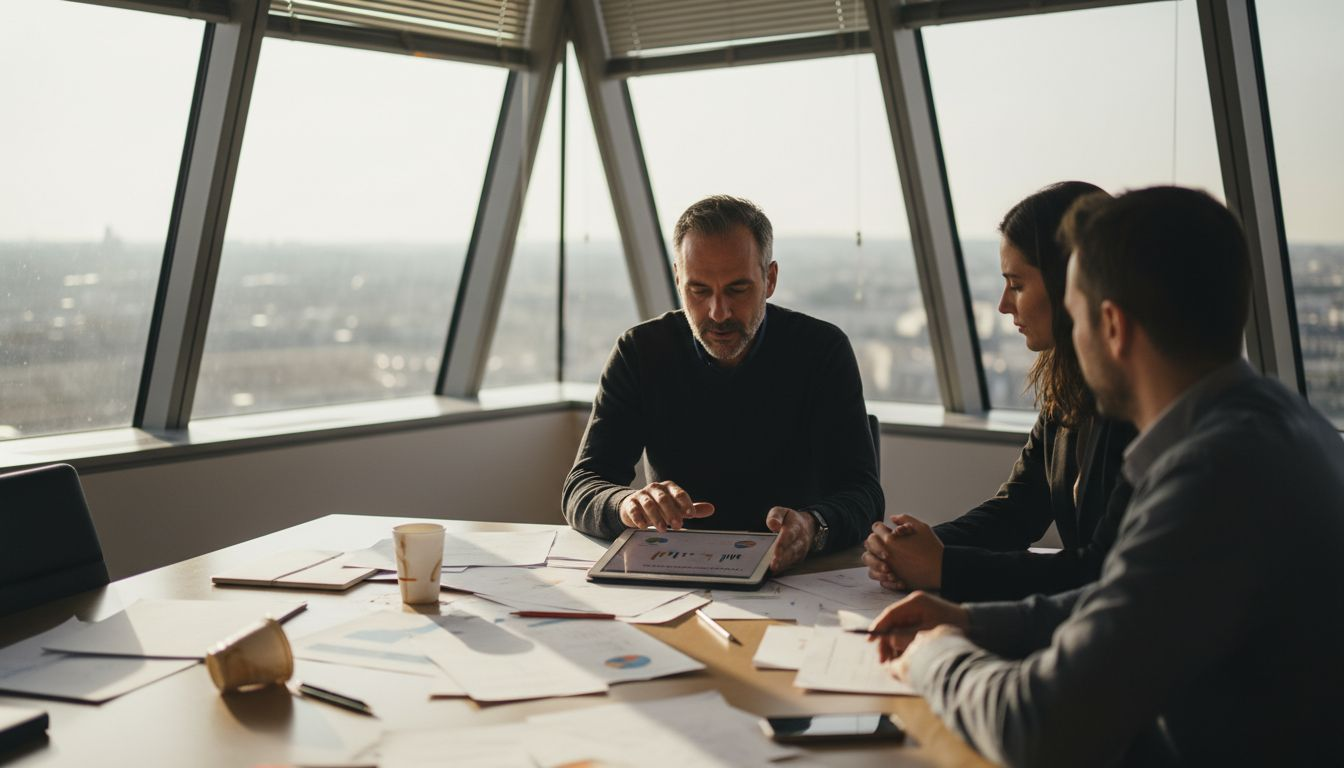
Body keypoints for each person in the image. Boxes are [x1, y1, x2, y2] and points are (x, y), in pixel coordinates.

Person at [868, 186, 1344, 766]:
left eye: (1076, 311)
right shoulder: (1280, 428)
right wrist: (971, 621)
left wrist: (935, 655)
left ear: (1112, 325)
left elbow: (1037, 727)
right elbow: (1125, 600)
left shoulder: (1213, 478)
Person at [561, 195, 883, 573]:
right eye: (699, 290)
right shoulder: (640, 352)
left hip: (797, 576)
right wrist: (626, 505)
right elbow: (582, 486)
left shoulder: (821, 351)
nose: (718, 313)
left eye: (737, 289)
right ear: (678, 278)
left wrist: (813, 527)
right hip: (676, 572)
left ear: (770, 279)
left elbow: (863, 494)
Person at [863, 182, 1136, 601]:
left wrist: (943, 566)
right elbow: (1018, 511)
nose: (1004, 305)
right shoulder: (1066, 386)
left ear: (1072, 284)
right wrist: (913, 547)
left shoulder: (1139, 406)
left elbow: (1098, 571)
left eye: (1018, 284)